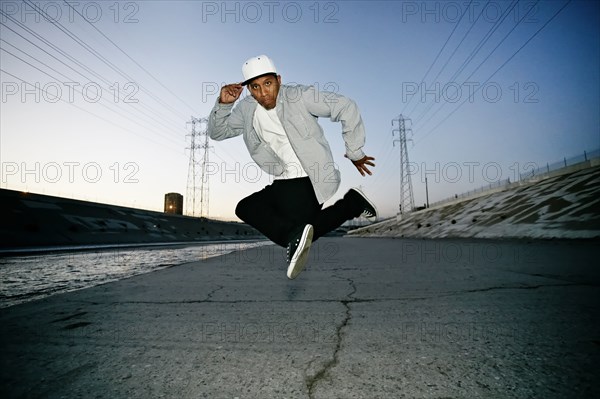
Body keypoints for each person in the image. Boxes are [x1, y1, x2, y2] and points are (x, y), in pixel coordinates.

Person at [207, 55, 377, 279]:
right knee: (246, 208)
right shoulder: (247, 109)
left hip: (311, 178)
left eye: (268, 84)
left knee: (301, 229)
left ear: (278, 79)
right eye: (255, 87)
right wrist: (224, 105)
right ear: (248, 89)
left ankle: (348, 206)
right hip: (282, 179)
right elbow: (218, 133)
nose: (263, 93)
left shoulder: (300, 96)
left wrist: (355, 152)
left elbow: (345, 106)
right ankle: (351, 204)